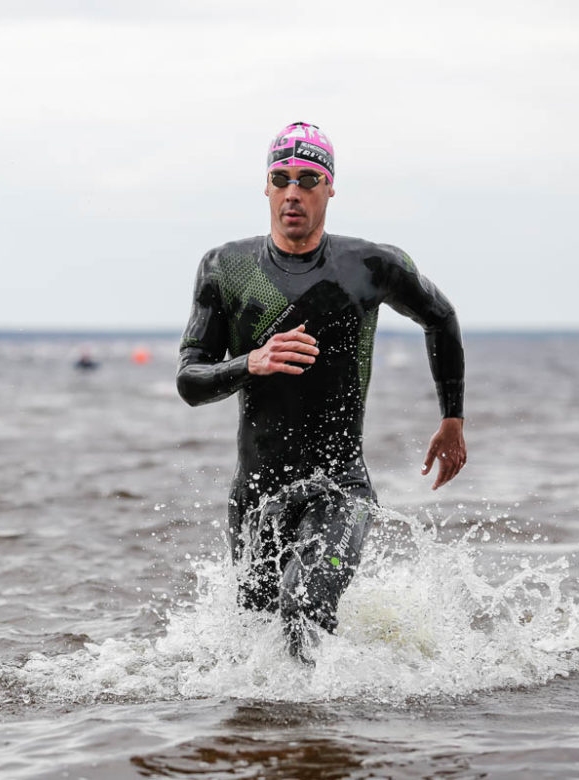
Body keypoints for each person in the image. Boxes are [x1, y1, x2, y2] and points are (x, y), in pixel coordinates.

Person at [176, 121, 467, 663]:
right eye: (281, 178)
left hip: (341, 489)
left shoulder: (370, 265)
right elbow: (189, 380)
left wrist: (453, 417)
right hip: (257, 496)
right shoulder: (227, 268)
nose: (293, 192)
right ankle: (293, 741)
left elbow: (441, 317)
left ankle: (327, 737)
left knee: (302, 604)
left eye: (308, 179)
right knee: (255, 648)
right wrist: (251, 362)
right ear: (265, 186)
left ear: (329, 187)